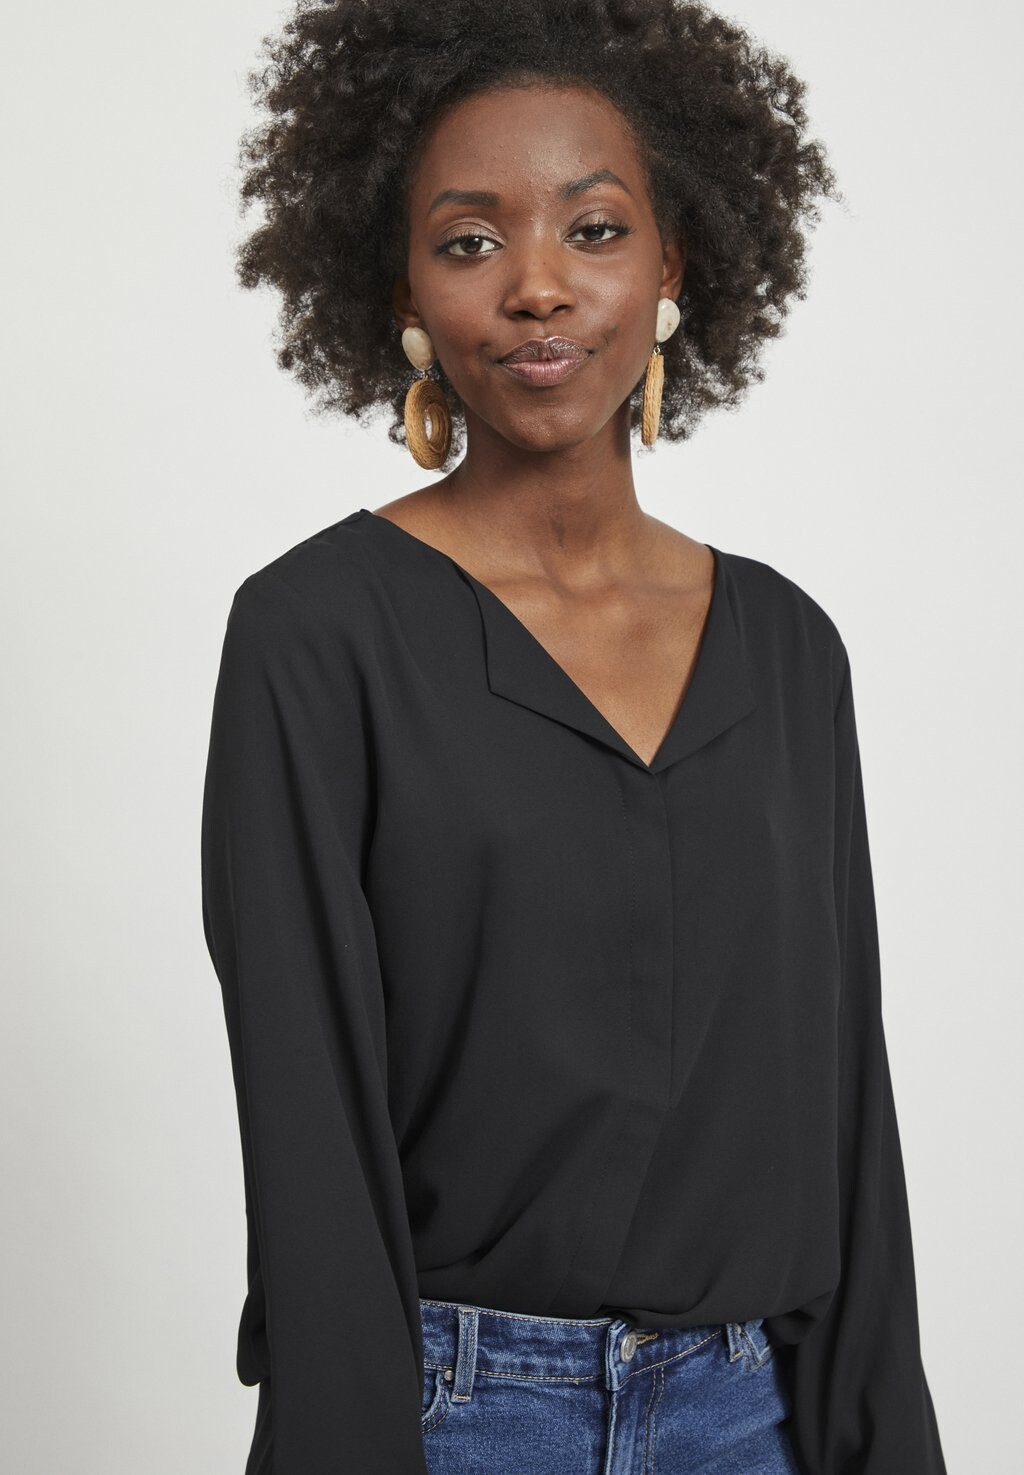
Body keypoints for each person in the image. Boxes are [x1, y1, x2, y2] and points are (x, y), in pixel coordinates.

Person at [200, 2, 947, 1472]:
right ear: (406, 294)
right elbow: (308, 1116)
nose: (537, 285)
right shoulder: (317, 633)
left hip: (753, 1420)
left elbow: (843, 1104)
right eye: (471, 240)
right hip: (456, 1419)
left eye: (594, 230)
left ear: (673, 268)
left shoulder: (787, 648)